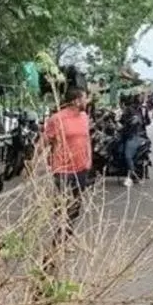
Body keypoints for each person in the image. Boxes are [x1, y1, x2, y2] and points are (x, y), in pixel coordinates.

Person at [42, 87, 92, 245]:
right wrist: (33, 162)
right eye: (85, 98)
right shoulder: (57, 119)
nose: (87, 101)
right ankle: (59, 241)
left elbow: (87, 139)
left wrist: (89, 159)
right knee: (62, 206)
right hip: (62, 168)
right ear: (76, 101)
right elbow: (44, 141)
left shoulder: (84, 117)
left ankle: (64, 237)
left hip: (81, 168)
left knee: (76, 206)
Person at [119, 94, 148, 187]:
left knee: (128, 156)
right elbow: (147, 122)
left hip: (134, 136)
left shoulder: (129, 110)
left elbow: (122, 122)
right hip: (141, 135)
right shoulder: (141, 109)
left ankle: (130, 177)